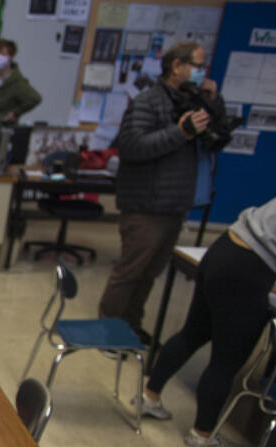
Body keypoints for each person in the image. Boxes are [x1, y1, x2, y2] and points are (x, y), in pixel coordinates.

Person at [138, 180, 276, 447]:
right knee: (226, 360)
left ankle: (149, 397)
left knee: (193, 332)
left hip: (223, 250)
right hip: (249, 268)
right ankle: (203, 435)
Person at [99, 41, 226, 343]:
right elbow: (131, 147)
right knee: (130, 272)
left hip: (174, 204)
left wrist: (214, 102)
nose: (201, 71)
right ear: (176, 66)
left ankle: (130, 326)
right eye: (195, 65)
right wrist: (179, 132)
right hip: (146, 205)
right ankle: (105, 333)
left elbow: (217, 136)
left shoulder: (194, 101)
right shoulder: (149, 102)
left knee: (149, 273)